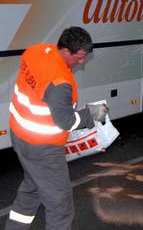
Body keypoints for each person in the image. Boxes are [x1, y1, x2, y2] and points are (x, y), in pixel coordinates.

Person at [6, 26, 108, 230]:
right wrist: (93, 114)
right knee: (60, 205)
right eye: (79, 57)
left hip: (20, 135)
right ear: (65, 50)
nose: (82, 62)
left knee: (33, 187)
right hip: (43, 148)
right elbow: (66, 121)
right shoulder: (60, 81)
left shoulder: (36, 51)